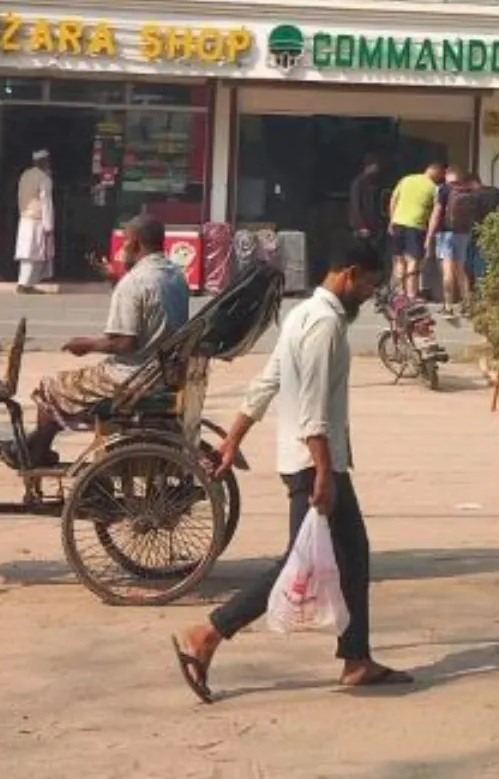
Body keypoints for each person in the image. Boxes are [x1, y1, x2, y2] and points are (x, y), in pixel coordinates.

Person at [173, 237, 409, 701]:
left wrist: (233, 436)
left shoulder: (303, 314)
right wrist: (324, 472)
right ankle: (209, 633)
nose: (366, 294)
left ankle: (357, 658)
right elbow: (313, 407)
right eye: (367, 285)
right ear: (348, 274)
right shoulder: (323, 325)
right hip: (314, 462)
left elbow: (269, 381)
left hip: (309, 458)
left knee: (353, 554)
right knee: (297, 564)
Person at [0, 212, 180, 471]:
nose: (122, 248)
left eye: (125, 242)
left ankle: (36, 452)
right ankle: (35, 445)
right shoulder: (174, 276)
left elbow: (125, 343)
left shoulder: (134, 284)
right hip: (160, 371)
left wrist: (87, 345)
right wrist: (116, 277)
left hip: (132, 376)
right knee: (70, 389)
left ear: (135, 244)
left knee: (51, 388)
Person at [430, 169, 486, 311]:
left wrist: (430, 235)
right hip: (463, 233)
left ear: (446, 176)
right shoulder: (468, 191)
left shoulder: (443, 190)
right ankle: (467, 303)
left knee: (447, 269)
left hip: (445, 233)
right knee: (460, 269)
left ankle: (448, 305)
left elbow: (437, 212)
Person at [386, 160, 443, 298]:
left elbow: (393, 199)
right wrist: (430, 235)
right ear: (437, 174)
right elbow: (436, 214)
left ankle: (399, 293)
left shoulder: (406, 179)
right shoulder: (434, 189)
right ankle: (412, 294)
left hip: (398, 223)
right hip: (416, 227)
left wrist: (392, 219)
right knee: (412, 261)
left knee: (398, 260)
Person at [14, 147, 56, 292]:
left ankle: (26, 283)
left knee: (27, 254)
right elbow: (46, 202)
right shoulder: (44, 178)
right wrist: (49, 225)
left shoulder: (25, 175)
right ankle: (26, 284)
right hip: (37, 220)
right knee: (34, 254)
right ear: (45, 162)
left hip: (24, 219)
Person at [348, 152, 387, 246]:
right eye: (376, 166)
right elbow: (356, 205)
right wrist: (361, 225)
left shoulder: (376, 182)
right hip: (362, 226)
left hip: (373, 225)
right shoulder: (358, 183)